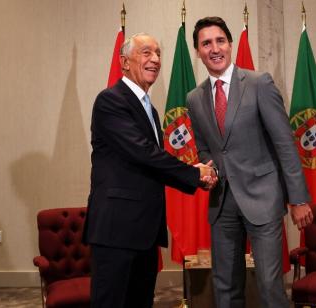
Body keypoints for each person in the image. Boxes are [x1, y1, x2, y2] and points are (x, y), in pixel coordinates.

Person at [186, 17, 314, 308]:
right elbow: (205, 150)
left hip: (263, 198)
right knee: (225, 286)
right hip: (222, 204)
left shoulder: (259, 83)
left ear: (230, 45)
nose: (214, 48)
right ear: (197, 51)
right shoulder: (194, 99)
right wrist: (207, 171)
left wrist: (298, 197)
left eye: (220, 41)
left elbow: (284, 143)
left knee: (269, 286)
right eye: (206, 43)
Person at [84, 33, 216, 308]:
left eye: (157, 54)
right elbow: (144, 153)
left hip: (143, 231)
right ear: (124, 62)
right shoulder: (111, 101)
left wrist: (194, 173)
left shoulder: (150, 110)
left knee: (140, 302)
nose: (155, 59)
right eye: (146, 53)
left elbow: (150, 163)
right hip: (116, 230)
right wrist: (195, 175)